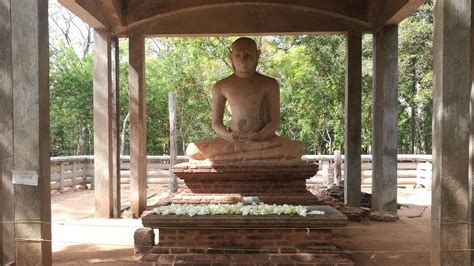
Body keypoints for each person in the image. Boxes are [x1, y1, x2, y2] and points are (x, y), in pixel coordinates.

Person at [186, 37, 304, 162]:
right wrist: (229, 136)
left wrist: (260, 135)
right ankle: (249, 155)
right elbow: (216, 123)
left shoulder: (269, 84)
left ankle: (235, 156)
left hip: (262, 140)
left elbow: (274, 121)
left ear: (257, 55)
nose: (243, 59)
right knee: (193, 150)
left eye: (248, 54)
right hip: (232, 140)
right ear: (230, 56)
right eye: (238, 55)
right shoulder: (221, 86)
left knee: (295, 148)